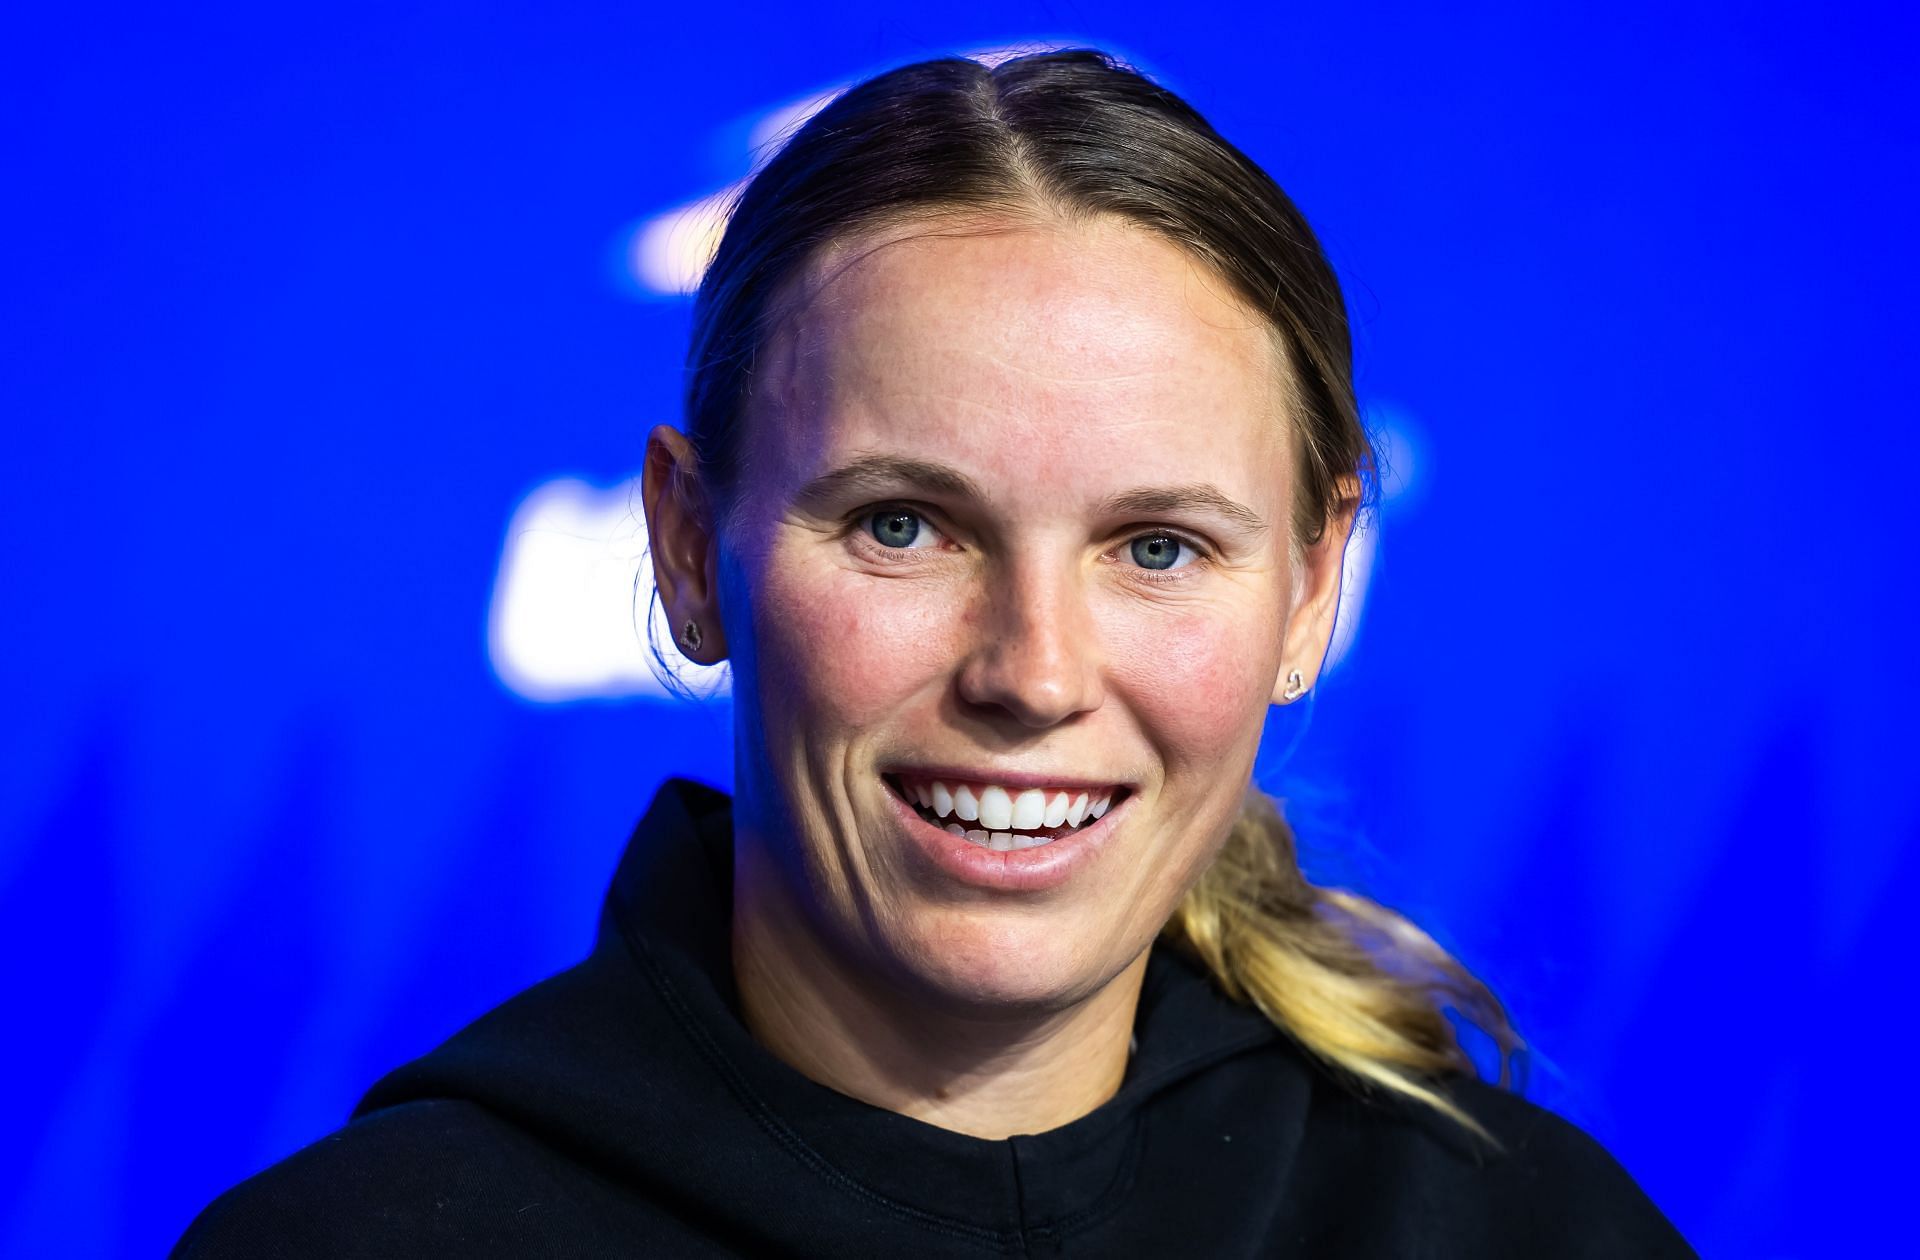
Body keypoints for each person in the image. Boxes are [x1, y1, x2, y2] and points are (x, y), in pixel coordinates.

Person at [177, 49, 1695, 1257]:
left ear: (1311, 589)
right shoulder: (362, 1242)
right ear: (692, 549)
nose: (1033, 674)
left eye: (1156, 547)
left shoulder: (1525, 1234)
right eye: (906, 527)